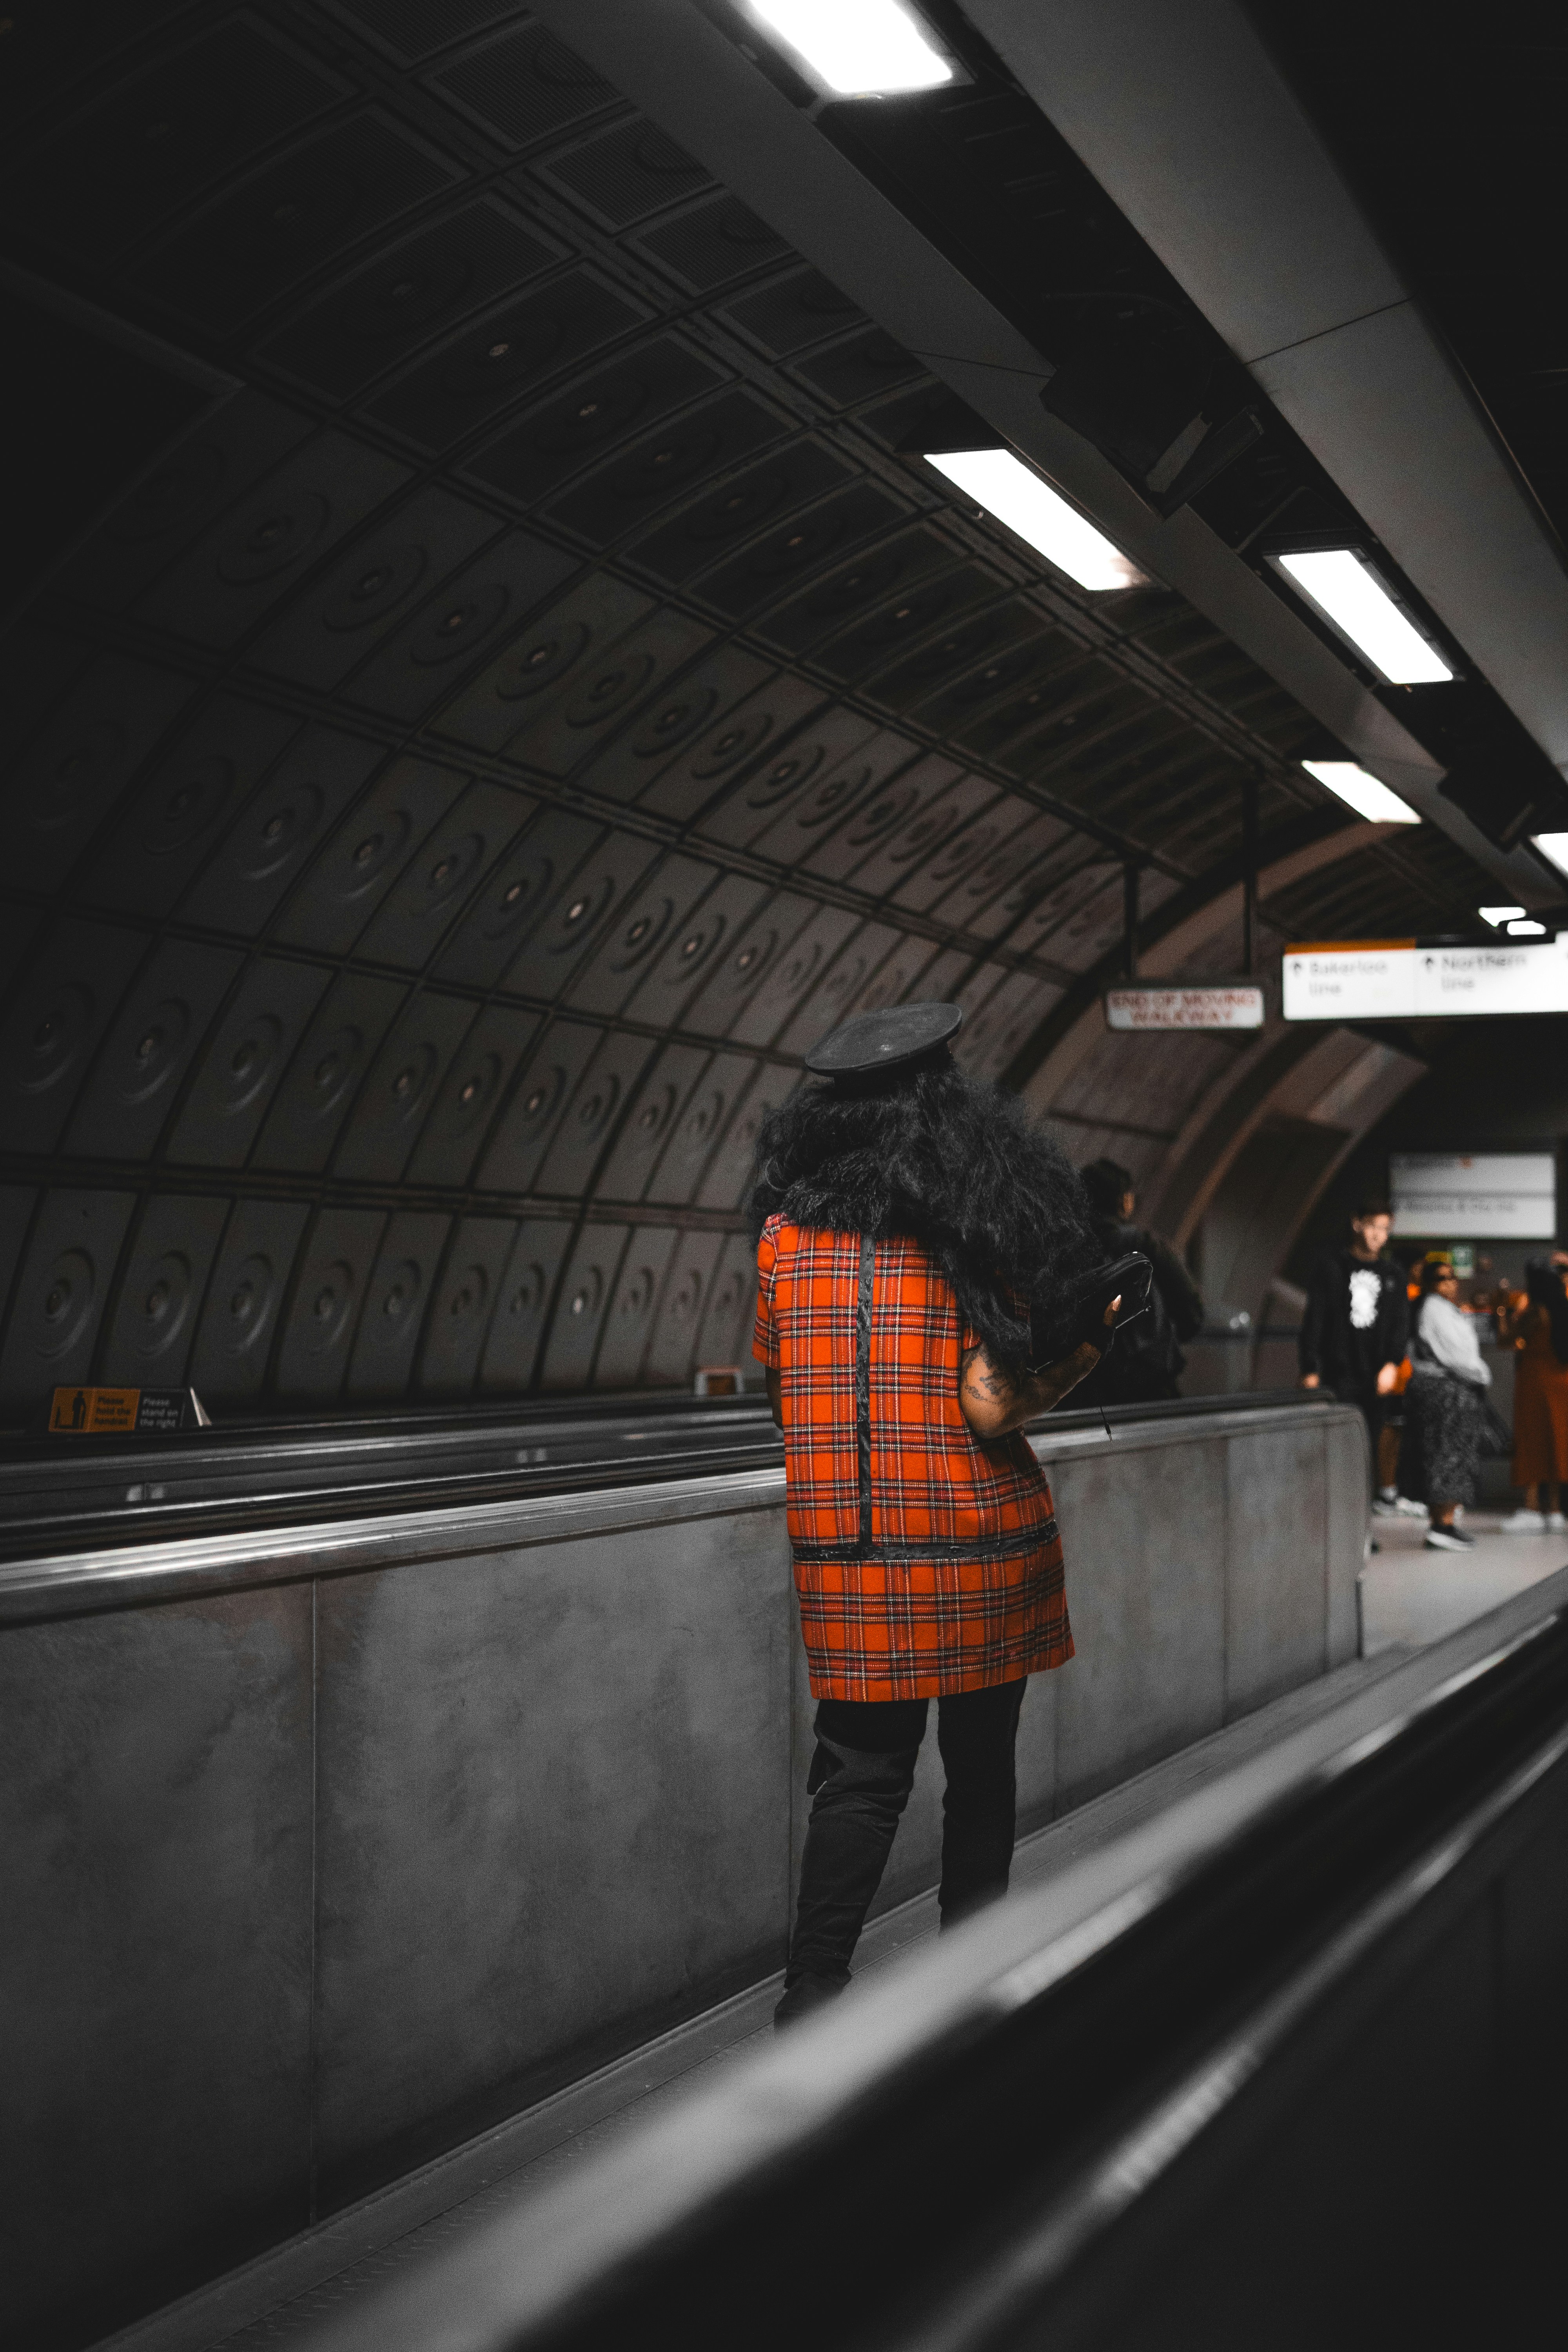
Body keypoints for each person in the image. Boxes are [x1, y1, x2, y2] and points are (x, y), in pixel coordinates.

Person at [750, 1000, 1116, 2026]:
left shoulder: (782, 1243)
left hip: (851, 1553)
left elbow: (779, 1384)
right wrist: (1087, 1346)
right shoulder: (977, 1230)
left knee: (859, 1778)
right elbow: (993, 1397)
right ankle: (975, 1979)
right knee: (981, 1770)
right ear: (941, 1105)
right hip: (980, 1536)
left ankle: (812, 1996)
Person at [1298, 1198, 1409, 1503]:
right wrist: (1310, 1368)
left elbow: (1401, 1324)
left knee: (1369, 1447)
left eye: (1385, 1229)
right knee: (1335, 1447)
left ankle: (1362, 1524)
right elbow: (1315, 1320)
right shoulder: (1333, 1268)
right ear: (1357, 1224)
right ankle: (1335, 1517)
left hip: (1376, 1375)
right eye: (1373, 1226)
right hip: (1338, 1372)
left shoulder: (1394, 1275)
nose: (1378, 1235)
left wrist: (1391, 1364)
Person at [1074, 1157, 1204, 1404]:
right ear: (1124, 1201)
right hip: (1148, 1385)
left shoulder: (1065, 1251)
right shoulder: (1144, 1245)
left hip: (1084, 1392)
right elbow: (1192, 1311)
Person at [1404, 1253, 1491, 1551]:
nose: (1450, 1283)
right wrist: (1481, 1374)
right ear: (1429, 1284)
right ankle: (1442, 1524)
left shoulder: (1440, 1309)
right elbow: (1457, 1356)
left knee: (1443, 1453)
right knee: (1448, 1455)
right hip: (1447, 1392)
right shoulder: (1435, 1310)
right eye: (1442, 1278)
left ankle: (1444, 1523)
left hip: (1443, 1390)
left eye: (1452, 1277)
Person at [1499, 1254, 1568, 1534]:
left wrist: (1503, 1312)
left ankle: (1531, 1507)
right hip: (1562, 1383)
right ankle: (1554, 1510)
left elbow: (1507, 1339)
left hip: (1535, 1383)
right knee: (1557, 1443)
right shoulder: (1563, 1310)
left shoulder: (1536, 1312)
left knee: (1532, 1441)